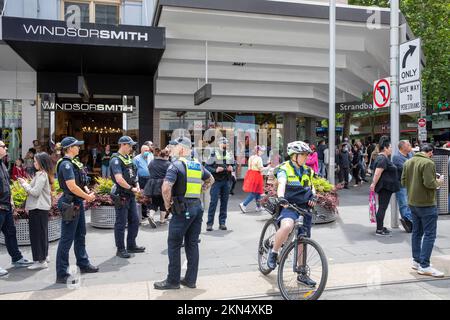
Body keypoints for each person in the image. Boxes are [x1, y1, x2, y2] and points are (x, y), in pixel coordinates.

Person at [154, 136, 214, 290]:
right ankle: (190, 280)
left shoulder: (176, 165)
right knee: (192, 243)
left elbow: (166, 187)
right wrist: (201, 190)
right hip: (196, 208)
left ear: (181, 149)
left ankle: (173, 281)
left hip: (182, 208)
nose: (170, 150)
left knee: (173, 244)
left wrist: (167, 205)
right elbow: (210, 179)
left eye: (173, 147)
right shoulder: (196, 165)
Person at [266, 141, 317, 287]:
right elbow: (281, 183)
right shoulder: (284, 169)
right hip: (289, 205)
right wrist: (281, 197)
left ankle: (301, 273)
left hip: (305, 208)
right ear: (294, 156)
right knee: (287, 226)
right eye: (303, 155)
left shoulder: (308, 170)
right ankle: (274, 252)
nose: (306, 157)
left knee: (303, 239)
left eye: (307, 155)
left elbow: (311, 187)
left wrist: (313, 196)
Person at [54, 137, 99, 283]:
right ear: (69, 148)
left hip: (76, 201)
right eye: (76, 146)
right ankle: (62, 273)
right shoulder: (66, 164)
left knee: (80, 234)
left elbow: (82, 181)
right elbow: (72, 186)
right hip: (70, 203)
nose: (79, 147)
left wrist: (87, 192)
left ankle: (83, 263)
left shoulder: (74, 163)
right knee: (66, 239)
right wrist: (87, 197)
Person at [402, 143, 445, 277]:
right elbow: (429, 183)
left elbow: (403, 182)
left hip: (413, 203)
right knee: (429, 234)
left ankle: (417, 261)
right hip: (426, 204)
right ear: (430, 152)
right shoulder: (428, 163)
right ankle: (424, 265)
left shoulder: (408, 162)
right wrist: (439, 181)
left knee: (417, 232)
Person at [0, 141, 33, 277]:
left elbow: (7, 184)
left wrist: (12, 201)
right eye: (2, 146)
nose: (6, 148)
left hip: (6, 206)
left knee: (11, 233)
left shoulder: (2, 164)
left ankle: (17, 259)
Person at [110, 136, 145, 259]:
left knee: (134, 221)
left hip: (130, 195)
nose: (131, 148)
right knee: (121, 223)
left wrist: (137, 186)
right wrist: (131, 188)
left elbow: (134, 176)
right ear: (123, 145)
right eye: (130, 145)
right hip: (121, 195)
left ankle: (131, 245)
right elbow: (119, 179)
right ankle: (120, 249)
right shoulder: (115, 159)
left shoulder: (128, 158)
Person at [18, 152, 54, 270]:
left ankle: (40, 260)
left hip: (37, 208)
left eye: (35, 161)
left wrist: (24, 184)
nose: (33, 163)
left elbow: (35, 192)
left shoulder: (41, 175)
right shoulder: (43, 174)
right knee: (42, 233)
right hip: (41, 208)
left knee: (37, 235)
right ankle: (44, 256)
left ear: (41, 162)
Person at [370, 136, 400, 236]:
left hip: (385, 187)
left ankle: (380, 227)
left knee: (382, 207)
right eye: (390, 147)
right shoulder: (382, 159)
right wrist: (373, 184)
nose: (391, 149)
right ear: (385, 148)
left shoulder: (382, 158)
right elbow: (377, 173)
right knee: (382, 208)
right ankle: (379, 229)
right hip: (385, 187)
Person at [205, 137, 235, 231]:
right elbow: (206, 167)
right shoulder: (214, 153)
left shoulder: (229, 154)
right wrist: (215, 170)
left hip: (226, 181)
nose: (225, 144)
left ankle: (222, 223)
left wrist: (232, 168)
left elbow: (233, 164)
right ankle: (209, 224)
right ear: (219, 144)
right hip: (216, 181)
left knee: (224, 203)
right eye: (223, 143)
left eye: (226, 143)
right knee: (213, 202)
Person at [144, 147, 171, 226]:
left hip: (152, 185)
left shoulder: (152, 162)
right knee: (163, 202)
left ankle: (151, 216)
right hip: (163, 184)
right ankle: (162, 220)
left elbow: (149, 169)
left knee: (155, 201)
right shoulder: (168, 164)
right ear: (166, 156)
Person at [392, 140, 414, 233]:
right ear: (403, 147)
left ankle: (408, 221)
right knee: (403, 204)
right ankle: (408, 222)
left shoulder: (411, 154)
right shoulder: (397, 157)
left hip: (410, 183)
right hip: (401, 184)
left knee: (410, 203)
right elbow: (407, 168)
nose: (410, 146)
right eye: (408, 145)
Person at [239, 145, 266, 213]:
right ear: (258, 151)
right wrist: (268, 168)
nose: (262, 152)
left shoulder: (251, 157)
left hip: (251, 174)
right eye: (261, 151)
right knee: (254, 192)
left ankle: (258, 206)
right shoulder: (259, 158)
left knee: (258, 192)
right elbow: (261, 169)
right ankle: (244, 204)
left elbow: (249, 167)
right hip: (257, 175)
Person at [133, 144, 153, 221]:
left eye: (148, 150)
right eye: (145, 151)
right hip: (141, 179)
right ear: (141, 151)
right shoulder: (136, 159)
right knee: (141, 196)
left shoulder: (150, 157)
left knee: (148, 195)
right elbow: (135, 171)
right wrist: (136, 181)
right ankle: (141, 213)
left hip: (149, 179)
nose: (147, 152)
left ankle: (146, 212)